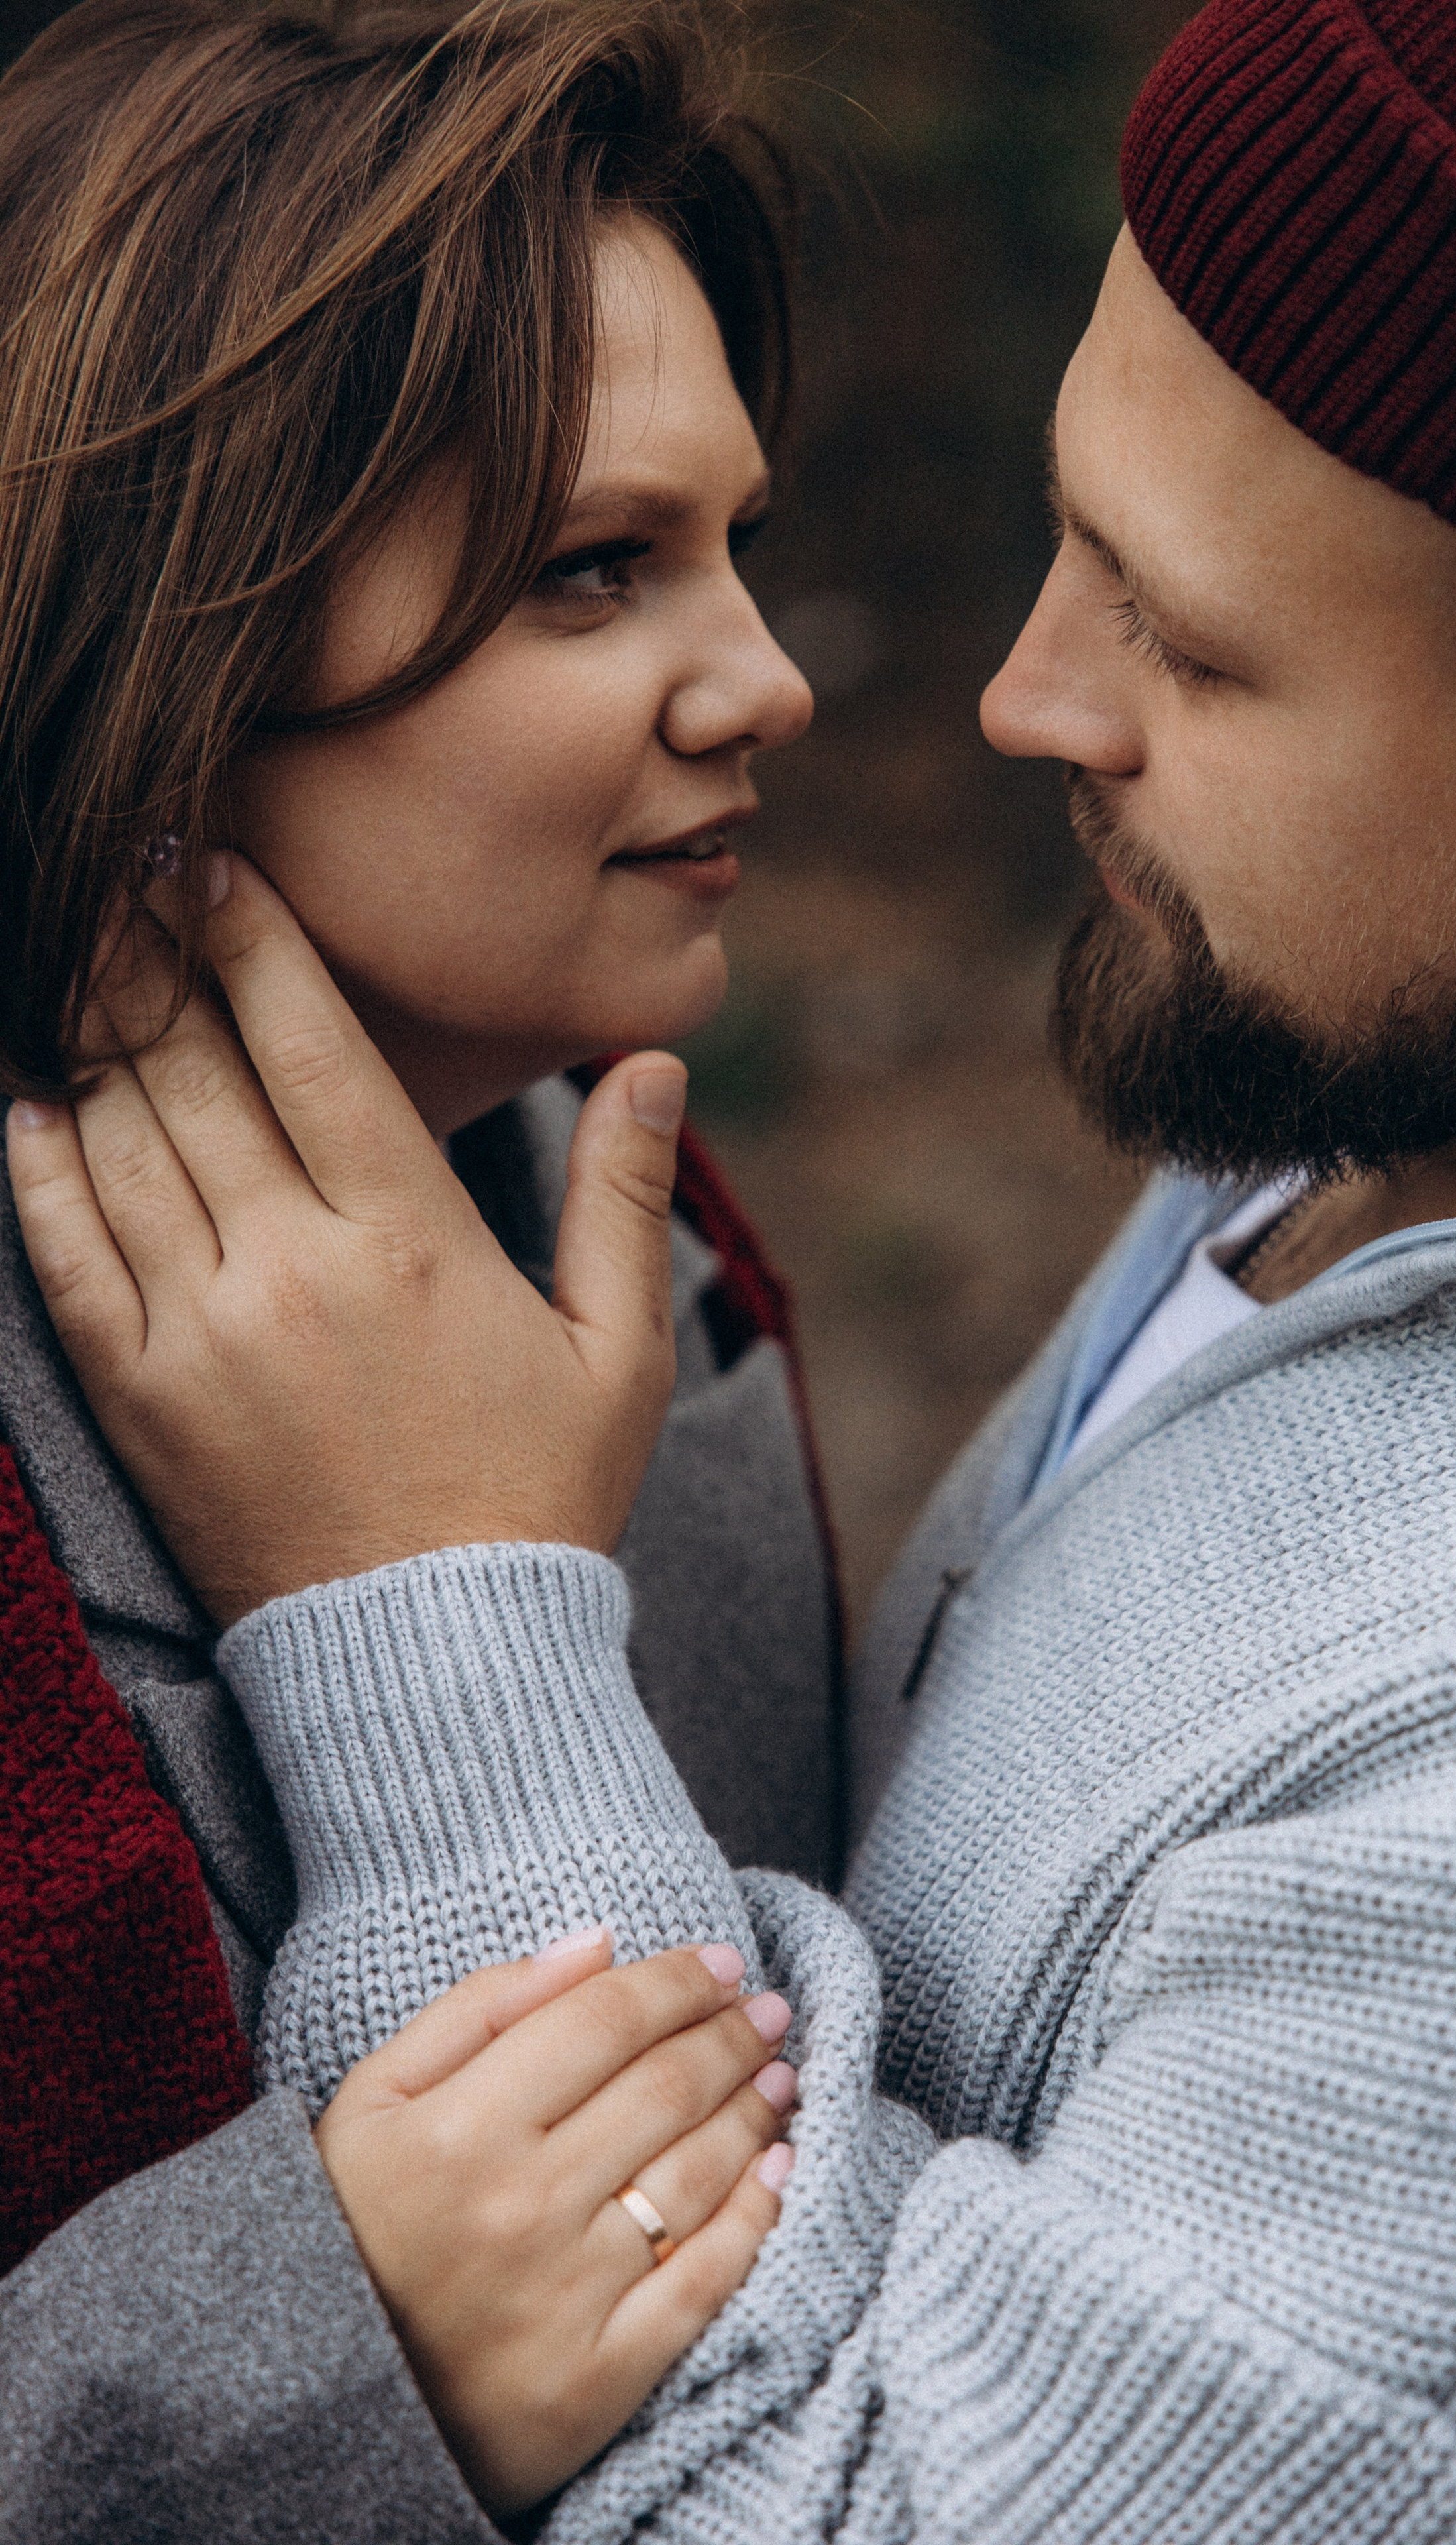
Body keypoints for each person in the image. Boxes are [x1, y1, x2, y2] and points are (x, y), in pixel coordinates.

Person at [18, 0, 1456, 2537]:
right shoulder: (1378, 1084)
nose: (1004, 696)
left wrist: (435, 1628)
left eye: (1189, 642)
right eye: (599, 566)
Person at [0, 0, 850, 2531]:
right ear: (160, 638)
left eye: (738, 544)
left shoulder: (661, 1243)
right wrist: (296, 2355)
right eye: (595, 570)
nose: (772, 679)